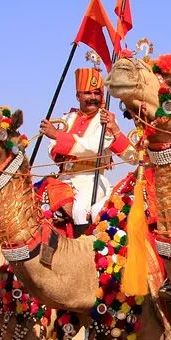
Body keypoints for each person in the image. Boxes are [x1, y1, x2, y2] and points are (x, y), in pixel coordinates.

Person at [40, 58, 134, 235]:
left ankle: (83, 248)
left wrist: (59, 137)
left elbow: (93, 147)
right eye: (88, 93)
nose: (93, 97)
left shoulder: (105, 119)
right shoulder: (67, 118)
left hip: (91, 179)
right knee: (40, 204)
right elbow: (51, 147)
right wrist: (57, 143)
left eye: (97, 93)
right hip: (64, 177)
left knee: (79, 211)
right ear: (78, 96)